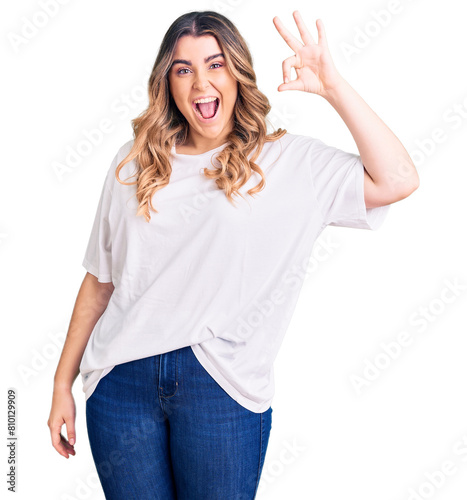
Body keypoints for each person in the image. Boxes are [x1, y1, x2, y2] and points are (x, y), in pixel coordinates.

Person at [47, 9, 419, 500]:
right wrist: (61, 385)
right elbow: (100, 281)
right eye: (184, 69)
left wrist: (332, 85)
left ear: (238, 73)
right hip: (121, 387)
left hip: (220, 388)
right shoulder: (134, 162)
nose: (201, 82)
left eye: (215, 64)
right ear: (168, 84)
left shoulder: (288, 163)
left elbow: (398, 179)